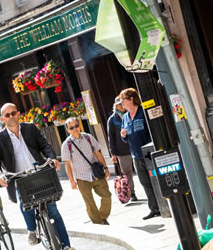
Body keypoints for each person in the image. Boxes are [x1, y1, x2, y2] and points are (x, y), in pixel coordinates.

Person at [0, 103, 77, 250]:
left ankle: (65, 247)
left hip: (41, 174)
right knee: (24, 204)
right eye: (7, 115)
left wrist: (52, 157)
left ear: (18, 114)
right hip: (19, 178)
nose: (11, 116)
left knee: (53, 211)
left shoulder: (30, 128)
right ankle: (32, 229)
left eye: (13, 113)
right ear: (3, 119)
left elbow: (44, 145)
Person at [119, 88, 160, 220]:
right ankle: (154, 208)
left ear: (131, 99)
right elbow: (125, 136)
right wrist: (123, 135)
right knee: (145, 182)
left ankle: (164, 204)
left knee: (156, 180)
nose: (121, 103)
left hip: (148, 153)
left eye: (123, 99)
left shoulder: (143, 112)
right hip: (136, 155)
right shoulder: (125, 117)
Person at [61, 117, 112, 225]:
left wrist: (106, 168)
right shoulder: (66, 145)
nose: (75, 129)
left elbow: (98, 154)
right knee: (90, 203)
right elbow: (68, 165)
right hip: (81, 177)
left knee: (107, 195)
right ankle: (98, 224)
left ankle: (102, 217)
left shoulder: (88, 137)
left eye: (76, 126)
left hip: (96, 173)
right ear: (68, 130)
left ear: (79, 126)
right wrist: (72, 181)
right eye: (72, 127)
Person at [107, 97, 137, 200]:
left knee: (140, 169)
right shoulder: (112, 119)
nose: (122, 105)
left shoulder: (130, 114)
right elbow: (111, 137)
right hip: (122, 150)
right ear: (116, 106)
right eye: (120, 104)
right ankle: (131, 193)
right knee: (127, 172)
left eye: (122, 103)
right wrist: (113, 154)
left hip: (134, 146)